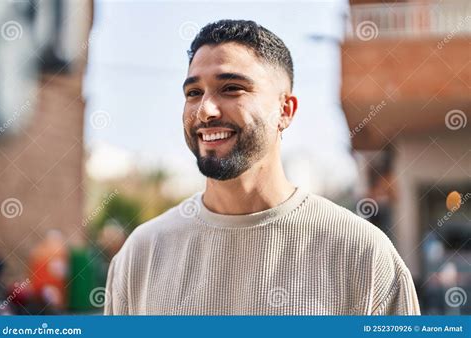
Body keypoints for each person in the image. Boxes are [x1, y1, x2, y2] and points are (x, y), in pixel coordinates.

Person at [104, 19, 420, 315]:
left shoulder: (362, 253)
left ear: (285, 110)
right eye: (193, 93)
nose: (205, 111)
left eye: (231, 88)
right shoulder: (140, 255)